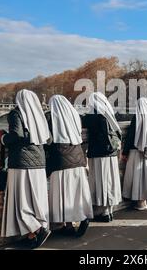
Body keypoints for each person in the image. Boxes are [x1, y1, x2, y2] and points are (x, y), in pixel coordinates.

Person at [0, 89, 51, 249]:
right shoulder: (38, 115)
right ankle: (32, 235)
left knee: (21, 201)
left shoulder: (16, 113)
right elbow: (47, 140)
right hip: (39, 163)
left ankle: (36, 230)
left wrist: (2, 137)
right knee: (35, 199)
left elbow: (16, 135)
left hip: (21, 163)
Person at [44, 95, 93, 237]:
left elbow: (47, 139)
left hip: (60, 159)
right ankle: (81, 217)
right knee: (76, 193)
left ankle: (67, 225)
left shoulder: (50, 117)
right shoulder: (74, 115)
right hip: (78, 157)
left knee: (63, 194)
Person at [82, 92, 122, 222]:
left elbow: (83, 121)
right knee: (110, 182)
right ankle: (109, 211)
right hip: (111, 152)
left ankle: (102, 212)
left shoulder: (94, 115)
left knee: (101, 182)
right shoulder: (108, 113)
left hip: (99, 154)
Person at [122, 98, 147, 210]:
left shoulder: (137, 118)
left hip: (137, 152)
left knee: (138, 178)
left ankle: (141, 202)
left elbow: (130, 136)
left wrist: (125, 152)